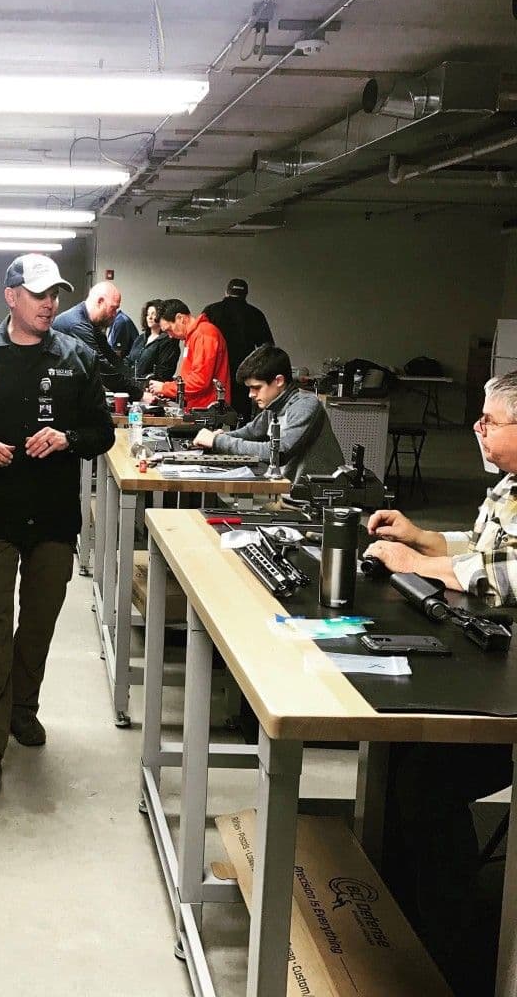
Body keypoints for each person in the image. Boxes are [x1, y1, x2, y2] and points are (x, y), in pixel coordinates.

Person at [0, 254, 114, 784]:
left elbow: (102, 432)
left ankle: (22, 710)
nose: (49, 304)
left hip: (52, 517)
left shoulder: (78, 358)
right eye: (38, 294)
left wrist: (68, 438)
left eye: (54, 294)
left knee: (38, 622)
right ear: (11, 297)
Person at [361, 370, 517, 992]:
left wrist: (414, 563)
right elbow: (479, 548)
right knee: (401, 746)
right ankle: (396, 906)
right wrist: (419, 537)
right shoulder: (507, 487)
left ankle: (453, 954)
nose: (477, 428)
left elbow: (504, 578)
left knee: (427, 779)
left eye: (490, 421)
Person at [191, 345, 343, 481]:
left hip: (316, 497)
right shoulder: (274, 406)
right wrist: (220, 436)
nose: (251, 394)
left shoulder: (305, 405)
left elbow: (279, 452)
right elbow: (251, 432)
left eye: (256, 387)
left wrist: (219, 441)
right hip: (288, 491)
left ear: (279, 381)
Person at [53, 281, 142, 399]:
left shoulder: (90, 323)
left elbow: (112, 358)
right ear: (100, 302)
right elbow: (101, 367)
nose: (115, 314)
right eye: (113, 308)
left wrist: (136, 384)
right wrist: (139, 394)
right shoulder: (78, 325)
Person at [203, 278, 274, 422]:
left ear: (226, 292)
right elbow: (267, 348)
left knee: (212, 414)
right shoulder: (255, 314)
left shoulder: (211, 311)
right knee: (241, 416)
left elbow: (201, 341)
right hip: (243, 372)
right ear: (246, 294)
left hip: (215, 371)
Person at [145, 299, 230, 410]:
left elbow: (200, 381)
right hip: (199, 407)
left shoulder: (203, 334)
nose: (170, 336)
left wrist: (165, 388)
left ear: (180, 318)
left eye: (169, 329)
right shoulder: (195, 336)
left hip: (206, 410)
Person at [125, 298, 178, 384]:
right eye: (148, 314)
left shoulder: (168, 340)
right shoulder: (140, 338)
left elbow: (164, 372)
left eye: (153, 314)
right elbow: (129, 360)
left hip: (152, 387)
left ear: (161, 316)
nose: (150, 317)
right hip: (132, 385)